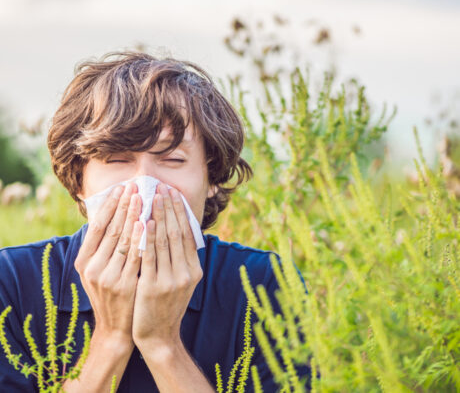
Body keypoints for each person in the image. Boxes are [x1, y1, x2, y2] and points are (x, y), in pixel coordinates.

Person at [0, 51, 309, 392]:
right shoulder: (12, 283)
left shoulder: (262, 286)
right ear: (78, 179)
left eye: (173, 159)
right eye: (116, 158)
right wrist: (112, 338)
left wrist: (163, 345)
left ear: (212, 179)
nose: (143, 183)